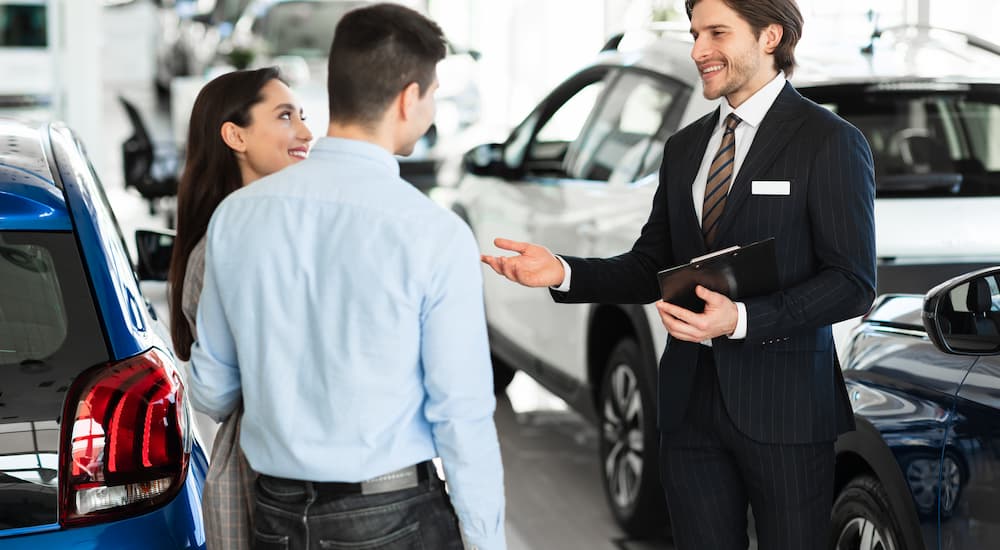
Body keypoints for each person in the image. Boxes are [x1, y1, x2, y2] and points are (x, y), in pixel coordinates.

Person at [481, 0, 876, 548]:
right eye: (695, 34)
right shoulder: (686, 148)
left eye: (716, 33)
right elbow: (652, 268)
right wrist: (563, 272)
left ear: (770, 37)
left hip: (784, 406)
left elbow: (852, 281)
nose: (698, 51)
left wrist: (739, 318)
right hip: (689, 402)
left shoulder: (828, 141)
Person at [187, 4, 505, 550]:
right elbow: (461, 414)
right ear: (410, 98)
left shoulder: (235, 218)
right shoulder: (431, 230)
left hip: (274, 515)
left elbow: (212, 393)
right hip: (391, 516)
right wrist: (485, 539)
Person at [168, 67, 313, 550]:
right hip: (264, 480)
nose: (306, 132)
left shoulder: (282, 228)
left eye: (303, 116)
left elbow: (216, 390)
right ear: (235, 135)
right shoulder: (222, 249)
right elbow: (215, 391)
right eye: (286, 116)